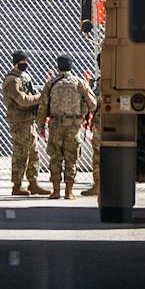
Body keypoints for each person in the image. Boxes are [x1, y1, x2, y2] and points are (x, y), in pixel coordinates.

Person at [40, 54, 95, 198]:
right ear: (71, 66)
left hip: (55, 125)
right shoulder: (79, 83)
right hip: (73, 126)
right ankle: (69, 191)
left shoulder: (51, 83)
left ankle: (56, 190)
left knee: (55, 157)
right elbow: (93, 104)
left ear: (58, 66)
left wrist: (40, 126)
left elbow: (43, 106)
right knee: (71, 158)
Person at [1, 50, 45, 196]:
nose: (26, 64)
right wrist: (41, 97)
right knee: (21, 153)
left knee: (34, 152)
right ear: (16, 62)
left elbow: (30, 94)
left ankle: (33, 183)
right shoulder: (11, 81)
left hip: (28, 120)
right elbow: (23, 100)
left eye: (27, 61)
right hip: (19, 122)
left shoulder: (24, 77)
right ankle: (17, 185)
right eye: (23, 62)